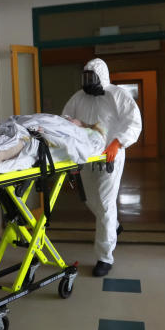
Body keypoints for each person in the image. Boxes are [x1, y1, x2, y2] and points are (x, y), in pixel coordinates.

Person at [62, 58, 142, 277]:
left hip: (110, 155)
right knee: (89, 199)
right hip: (85, 155)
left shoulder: (117, 95)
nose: (88, 81)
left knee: (106, 204)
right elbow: (65, 122)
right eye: (85, 76)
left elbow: (134, 122)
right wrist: (72, 157)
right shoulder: (78, 98)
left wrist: (117, 142)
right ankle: (113, 226)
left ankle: (104, 257)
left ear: (102, 77)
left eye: (92, 76)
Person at [0, 113, 105, 177]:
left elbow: (78, 148)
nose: (69, 119)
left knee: (0, 150)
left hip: (30, 140)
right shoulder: (63, 122)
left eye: (75, 120)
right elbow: (32, 118)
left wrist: (45, 133)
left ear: (82, 125)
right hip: (21, 130)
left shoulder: (82, 134)